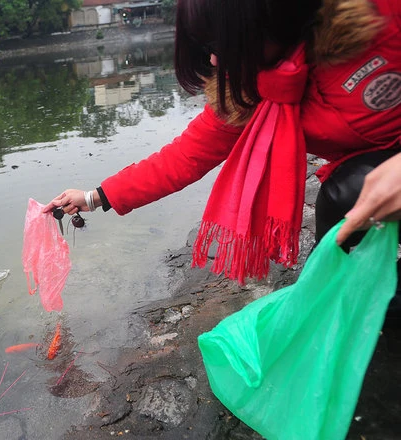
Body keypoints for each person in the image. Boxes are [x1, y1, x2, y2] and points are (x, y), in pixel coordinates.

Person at [43, 0, 401, 315]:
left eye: (217, 43)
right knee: (343, 198)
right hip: (359, 177)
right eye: (205, 47)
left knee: (350, 191)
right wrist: (94, 197)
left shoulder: (382, 19)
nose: (214, 58)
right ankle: (371, 305)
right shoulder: (249, 88)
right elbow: (183, 158)